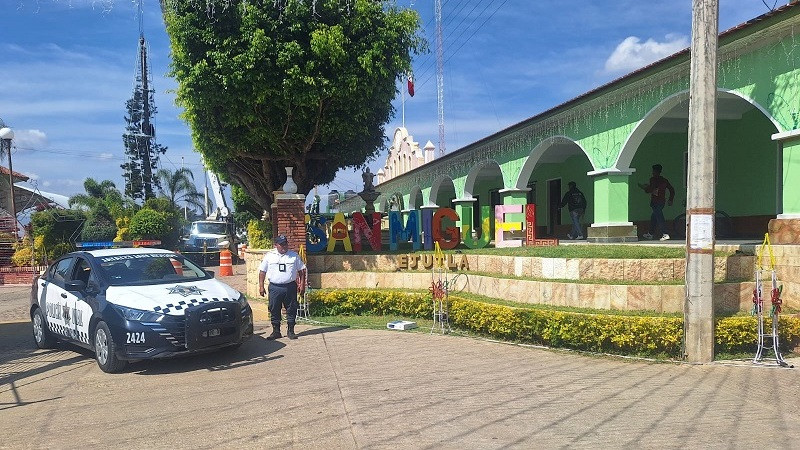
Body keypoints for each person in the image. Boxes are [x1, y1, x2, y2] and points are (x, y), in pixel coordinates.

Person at [258, 234, 307, 340]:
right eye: (281, 244)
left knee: (291, 308)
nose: (284, 246)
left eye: (285, 244)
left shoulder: (294, 256)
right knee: (274, 308)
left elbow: (302, 271)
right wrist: (261, 286)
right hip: (275, 288)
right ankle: (276, 331)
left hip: (290, 287)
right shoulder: (269, 256)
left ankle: (291, 331)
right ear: (276, 245)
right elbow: (262, 271)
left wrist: (302, 284)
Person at [638, 163, 675, 241]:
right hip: (662, 201)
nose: (652, 173)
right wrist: (670, 199)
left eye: (653, 171)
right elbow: (672, 190)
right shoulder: (664, 180)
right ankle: (650, 234)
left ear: (655, 171)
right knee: (654, 217)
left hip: (655, 202)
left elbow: (651, 189)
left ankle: (665, 233)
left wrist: (644, 188)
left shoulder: (653, 179)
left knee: (659, 217)